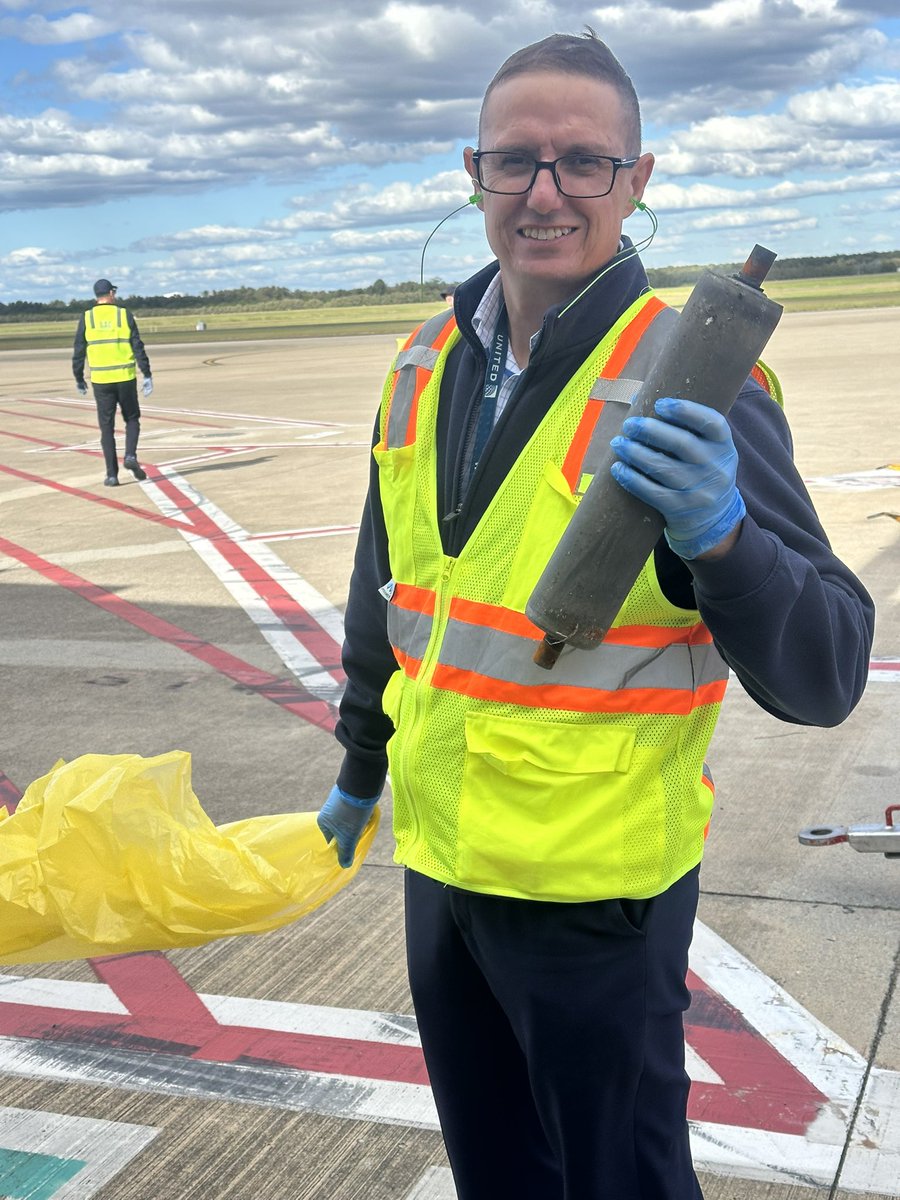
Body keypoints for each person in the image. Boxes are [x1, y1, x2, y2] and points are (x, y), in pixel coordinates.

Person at [317, 30, 875, 1200]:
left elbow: (827, 669)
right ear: (473, 173)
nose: (545, 192)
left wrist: (723, 538)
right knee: (497, 1171)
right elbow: (389, 589)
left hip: (595, 898)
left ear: (638, 179)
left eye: (583, 161)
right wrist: (361, 764)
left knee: (618, 1177)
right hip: (443, 865)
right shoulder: (422, 360)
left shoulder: (694, 377)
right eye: (514, 160)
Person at [72, 278, 153, 487]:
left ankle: (111, 475)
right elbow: (137, 345)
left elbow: (79, 350)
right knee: (132, 419)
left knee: (106, 427)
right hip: (125, 378)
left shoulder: (87, 317)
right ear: (110, 293)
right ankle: (130, 455)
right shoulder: (124, 314)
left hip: (101, 381)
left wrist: (79, 377)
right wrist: (146, 373)